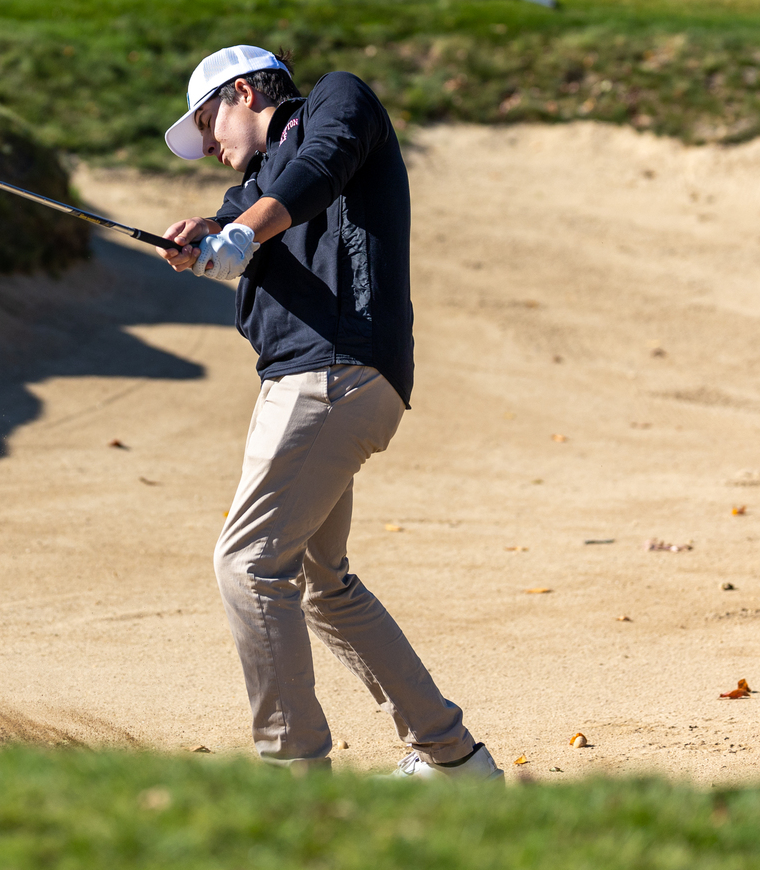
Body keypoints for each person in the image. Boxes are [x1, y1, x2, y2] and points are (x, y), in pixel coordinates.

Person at [157, 45, 503, 781]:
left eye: (209, 122)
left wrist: (242, 232)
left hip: (331, 375)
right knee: (324, 582)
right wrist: (199, 241)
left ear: (245, 91)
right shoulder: (251, 188)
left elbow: (319, 169)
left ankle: (295, 779)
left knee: (248, 563)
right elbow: (231, 225)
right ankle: (454, 762)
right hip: (317, 382)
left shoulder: (335, 103)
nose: (210, 147)